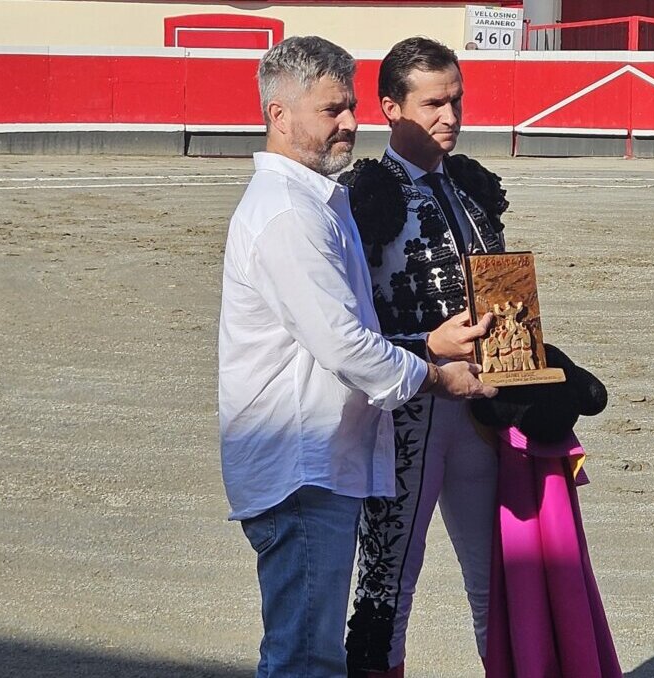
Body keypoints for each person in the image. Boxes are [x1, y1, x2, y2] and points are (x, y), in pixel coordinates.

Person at [218, 35, 496, 678]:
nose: (349, 123)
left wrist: (431, 347)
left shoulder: (332, 196)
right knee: (319, 645)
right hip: (324, 448)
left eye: (348, 108)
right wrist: (433, 371)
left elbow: (355, 329)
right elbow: (345, 344)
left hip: (369, 430)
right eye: (331, 110)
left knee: (324, 641)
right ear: (280, 116)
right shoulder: (308, 208)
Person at [341, 36, 508, 677]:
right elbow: (349, 325)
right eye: (433, 103)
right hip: (403, 414)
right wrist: (423, 352)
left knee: (498, 578)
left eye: (456, 101)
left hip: (481, 413)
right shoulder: (365, 195)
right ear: (391, 108)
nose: (451, 117)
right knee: (385, 586)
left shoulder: (472, 188)